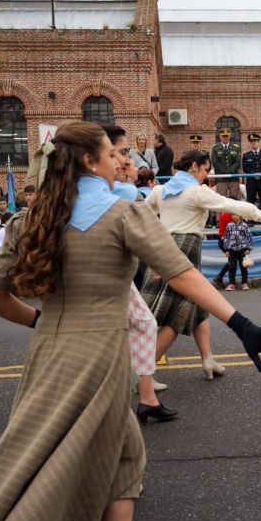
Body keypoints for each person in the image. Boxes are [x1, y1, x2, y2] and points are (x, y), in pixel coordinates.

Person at [0, 121, 261, 521]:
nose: (120, 160)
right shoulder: (123, 213)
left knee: (127, 454)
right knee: (57, 483)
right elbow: (182, 274)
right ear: (89, 161)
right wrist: (242, 324)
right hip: (101, 358)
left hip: (49, 354)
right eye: (112, 154)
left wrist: (42, 322)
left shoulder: (32, 217)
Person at [142, 149, 261, 381]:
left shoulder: (160, 190)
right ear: (194, 167)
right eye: (205, 169)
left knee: (199, 305)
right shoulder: (196, 192)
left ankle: (207, 358)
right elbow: (232, 205)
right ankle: (144, 376)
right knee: (177, 315)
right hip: (185, 250)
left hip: (163, 249)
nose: (206, 175)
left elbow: (141, 215)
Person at [101, 123, 174, 421]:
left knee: (138, 324)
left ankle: (145, 395)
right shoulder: (125, 192)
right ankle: (137, 395)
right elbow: (151, 234)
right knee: (137, 325)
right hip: (113, 272)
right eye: (122, 153)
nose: (128, 160)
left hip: (117, 269)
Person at [211, 128, 243, 201]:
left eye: (227, 136)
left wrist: (230, 171)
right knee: (221, 200)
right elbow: (215, 162)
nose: (225, 138)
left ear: (229, 136)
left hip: (233, 178)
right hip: (221, 178)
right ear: (220, 136)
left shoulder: (236, 147)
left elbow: (237, 162)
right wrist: (225, 172)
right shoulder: (215, 148)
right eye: (223, 136)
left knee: (234, 200)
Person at [223, 213, 253, 291]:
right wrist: (226, 250)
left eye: (236, 215)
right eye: (232, 215)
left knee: (244, 267)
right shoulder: (229, 225)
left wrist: (248, 248)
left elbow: (249, 237)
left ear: (240, 215)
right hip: (231, 249)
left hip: (242, 249)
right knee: (232, 266)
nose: (234, 216)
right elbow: (226, 237)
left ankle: (244, 283)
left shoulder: (244, 225)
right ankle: (231, 284)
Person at [242, 133, 261, 209]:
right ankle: (250, 217)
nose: (253, 143)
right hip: (251, 181)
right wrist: (254, 174)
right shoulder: (246, 155)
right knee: (250, 201)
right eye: (251, 141)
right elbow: (245, 168)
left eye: (255, 141)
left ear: (258, 142)